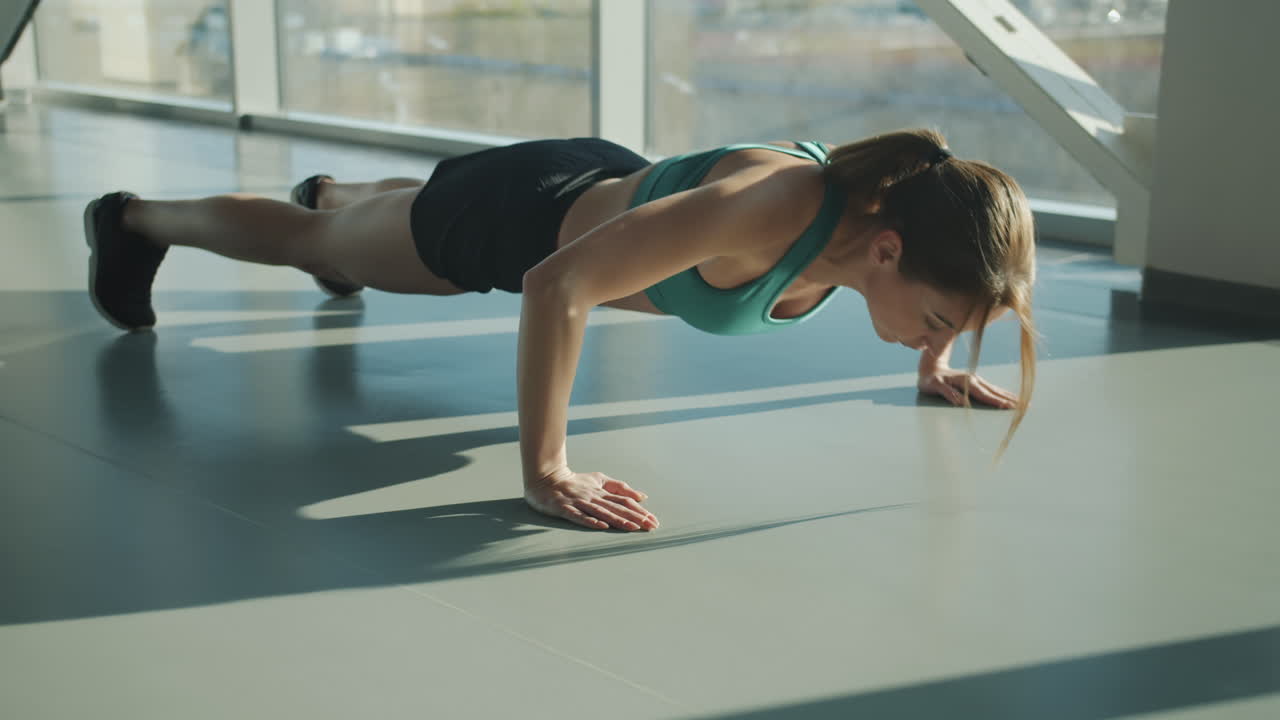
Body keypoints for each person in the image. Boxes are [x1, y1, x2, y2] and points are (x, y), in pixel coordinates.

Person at [83, 129, 1037, 533]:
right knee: (313, 242)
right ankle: (132, 219)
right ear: (885, 252)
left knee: (375, 225)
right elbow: (555, 287)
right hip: (517, 219)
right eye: (940, 323)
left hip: (599, 183)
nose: (937, 335)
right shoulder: (770, 206)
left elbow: (951, 281)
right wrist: (547, 471)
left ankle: (351, 200)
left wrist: (936, 361)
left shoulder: (898, 221)